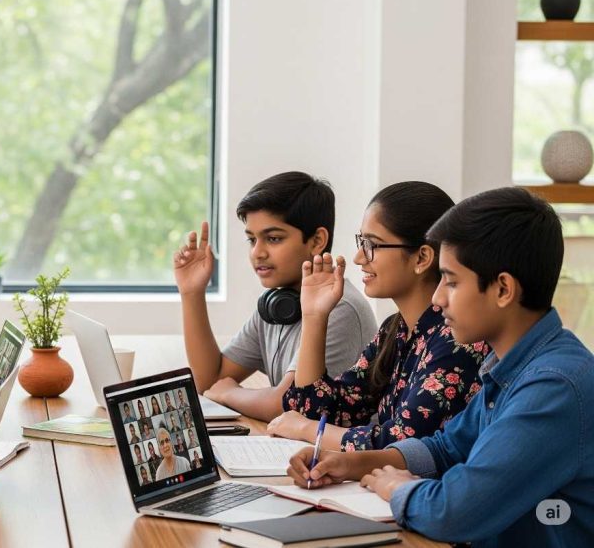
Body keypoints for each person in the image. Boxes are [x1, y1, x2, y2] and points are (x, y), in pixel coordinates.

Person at [286, 188, 594, 547]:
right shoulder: (512, 368)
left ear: (503, 289)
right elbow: (445, 448)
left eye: (451, 281)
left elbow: (457, 511)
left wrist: (400, 487)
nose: (438, 298)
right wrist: (350, 464)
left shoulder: (552, 387)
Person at [268, 182, 488, 451]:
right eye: (361, 242)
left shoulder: (458, 338)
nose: (359, 257)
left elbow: (403, 445)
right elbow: (317, 410)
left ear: (422, 257)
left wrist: (307, 430)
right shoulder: (394, 331)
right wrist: (314, 316)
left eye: (372, 244)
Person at [175, 172, 376, 421]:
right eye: (252, 239)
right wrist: (192, 293)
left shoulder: (340, 308)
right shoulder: (277, 305)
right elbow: (209, 380)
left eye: (273, 239)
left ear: (317, 240)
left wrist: (230, 394)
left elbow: (288, 404)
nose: (257, 252)